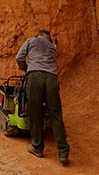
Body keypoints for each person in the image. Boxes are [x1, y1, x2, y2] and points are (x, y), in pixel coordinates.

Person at [16, 30, 69, 165]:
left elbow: (19, 57)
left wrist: (27, 69)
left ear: (38, 35)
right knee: (55, 114)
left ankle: (37, 147)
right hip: (51, 78)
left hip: (35, 77)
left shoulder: (31, 40)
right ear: (48, 38)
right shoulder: (52, 47)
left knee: (36, 113)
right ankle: (63, 152)